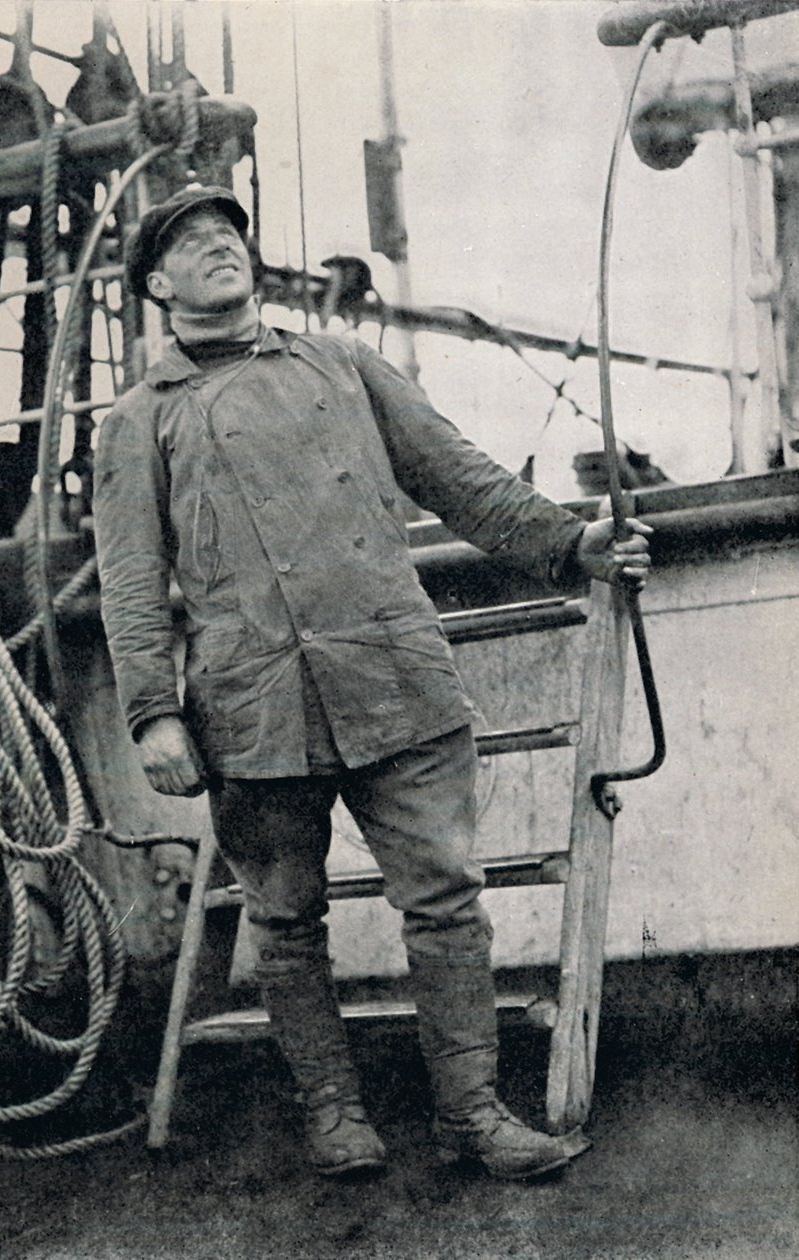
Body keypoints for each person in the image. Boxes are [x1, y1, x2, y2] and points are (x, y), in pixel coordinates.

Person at [93, 186, 652, 1182]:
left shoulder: (342, 364)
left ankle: (472, 1114)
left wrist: (573, 544)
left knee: (445, 899)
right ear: (156, 286)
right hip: (254, 707)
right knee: (283, 919)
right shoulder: (140, 421)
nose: (219, 245)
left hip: (393, 679)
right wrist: (151, 714)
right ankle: (332, 1111)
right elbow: (132, 580)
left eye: (228, 233)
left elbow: (458, 476)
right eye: (190, 241)